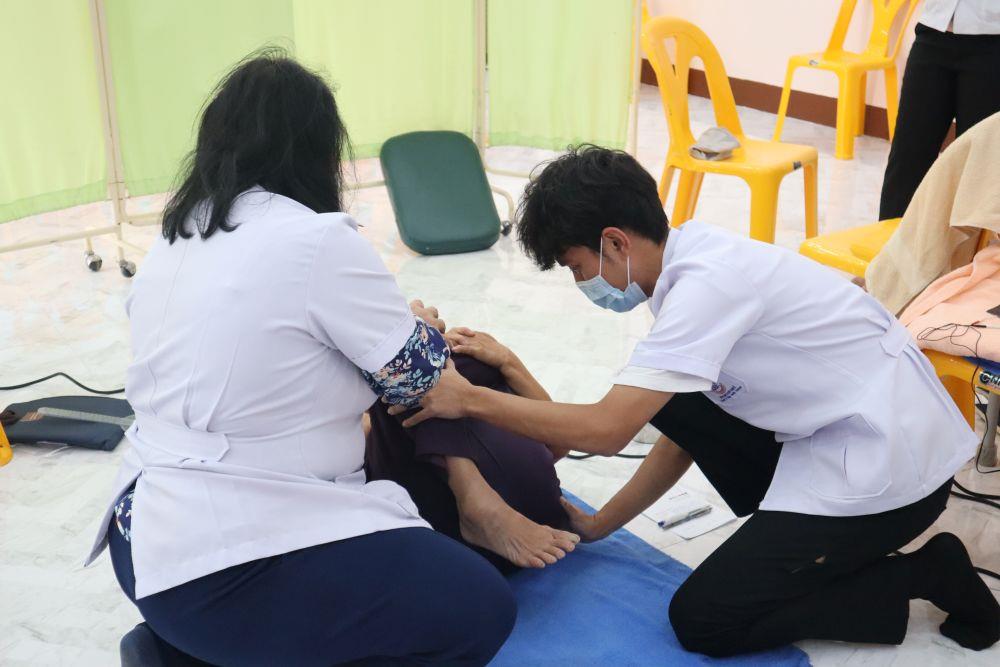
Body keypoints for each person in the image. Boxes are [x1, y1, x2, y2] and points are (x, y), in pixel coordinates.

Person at [394, 145, 1000, 655]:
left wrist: (469, 400)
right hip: (844, 426)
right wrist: (601, 524)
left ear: (614, 242)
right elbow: (680, 422)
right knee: (670, 397)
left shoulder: (708, 287)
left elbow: (606, 430)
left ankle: (923, 573)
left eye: (578, 267)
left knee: (704, 620)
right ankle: (807, 548)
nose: (582, 284)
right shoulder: (684, 263)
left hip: (893, 469)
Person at [84, 51, 524, 667]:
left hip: (144, 545)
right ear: (316, 150)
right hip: (229, 567)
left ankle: (182, 652)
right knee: (481, 607)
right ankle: (210, 651)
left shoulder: (175, 235)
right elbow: (420, 378)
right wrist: (418, 329)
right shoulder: (316, 239)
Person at [366, 328, 576, 571]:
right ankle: (478, 503)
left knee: (439, 358)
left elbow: (563, 443)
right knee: (410, 365)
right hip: (518, 521)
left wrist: (507, 361)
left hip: (535, 512)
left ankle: (478, 502)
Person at [880, 0, 1000, 220]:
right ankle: (890, 238)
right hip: (933, 30)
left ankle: (964, 243)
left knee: (975, 165)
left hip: (992, 41)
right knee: (906, 156)